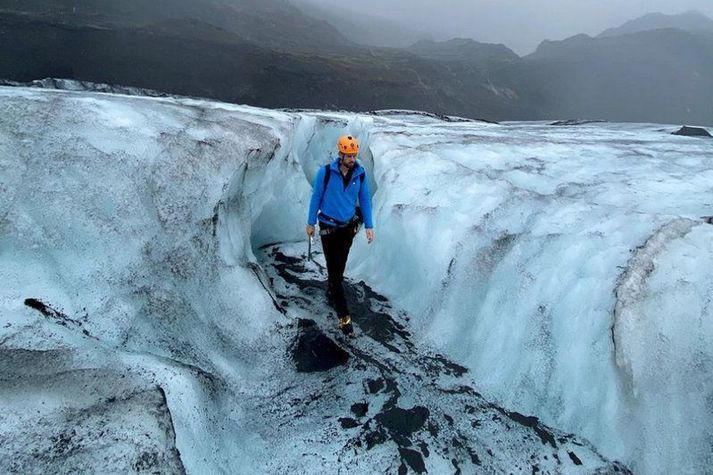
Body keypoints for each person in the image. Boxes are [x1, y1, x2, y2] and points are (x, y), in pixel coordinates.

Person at [306, 135, 374, 335]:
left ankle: (331, 289)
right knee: (335, 273)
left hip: (347, 230)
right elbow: (316, 197)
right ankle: (344, 319)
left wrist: (369, 226)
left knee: (339, 267)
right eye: (349, 155)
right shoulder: (325, 173)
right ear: (340, 154)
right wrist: (310, 222)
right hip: (327, 227)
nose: (352, 159)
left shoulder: (360, 175)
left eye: (354, 155)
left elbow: (365, 200)